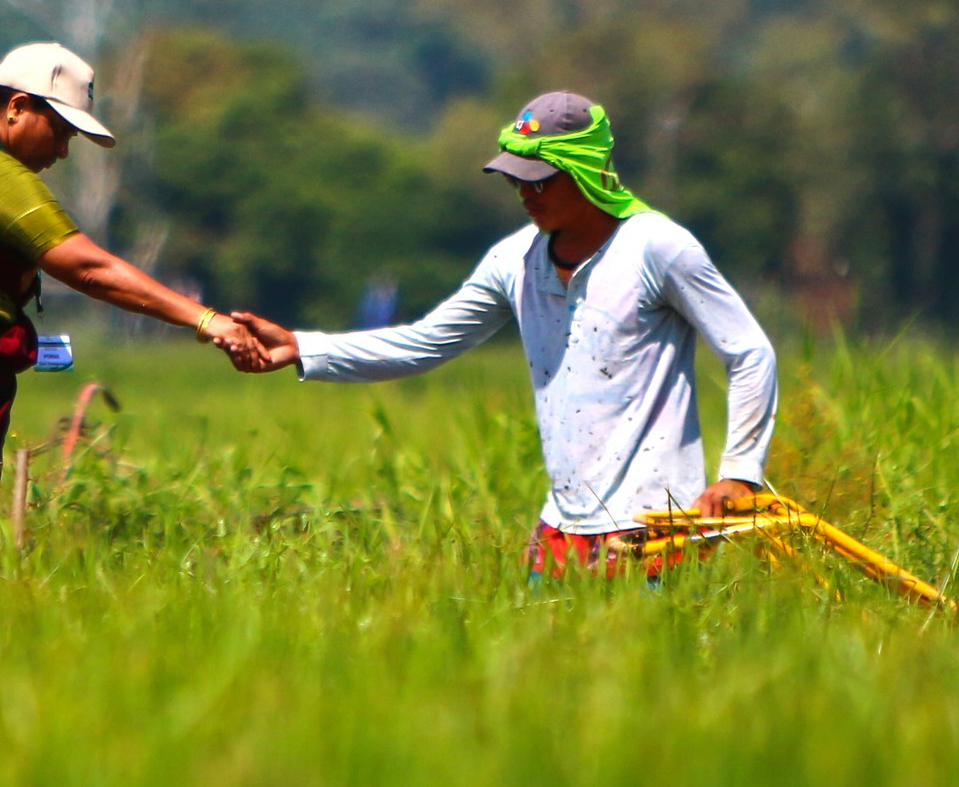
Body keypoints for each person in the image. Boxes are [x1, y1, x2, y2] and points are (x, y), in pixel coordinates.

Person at [229, 90, 778, 573]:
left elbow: (749, 352)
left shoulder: (658, 248)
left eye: (540, 180)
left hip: (658, 523)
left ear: (584, 170)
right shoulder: (513, 261)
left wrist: (739, 473)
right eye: (516, 179)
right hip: (562, 526)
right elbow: (423, 343)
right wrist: (303, 347)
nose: (525, 192)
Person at [0, 41, 255, 525]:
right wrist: (204, 319)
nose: (64, 151)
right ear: (18, 106)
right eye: (60, 131)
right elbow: (88, 269)